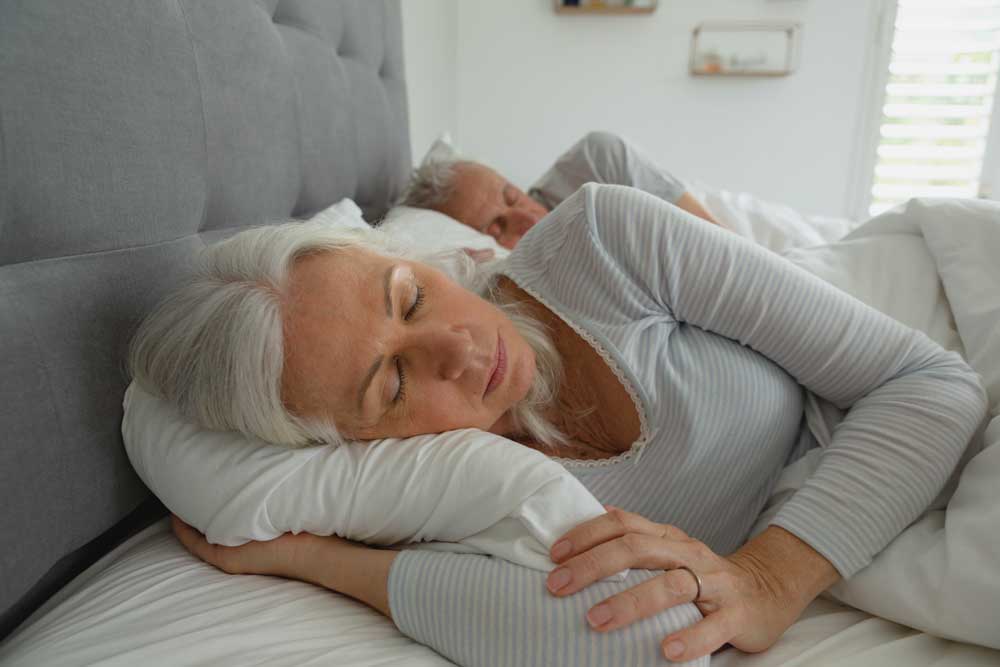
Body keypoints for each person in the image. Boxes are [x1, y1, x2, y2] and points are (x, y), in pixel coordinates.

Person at [132, 184, 987, 666]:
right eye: (391, 382)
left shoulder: (603, 239)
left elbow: (932, 384)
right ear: (352, 445)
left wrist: (767, 576)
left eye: (411, 297)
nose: (462, 350)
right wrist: (310, 558)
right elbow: (632, 640)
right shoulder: (441, 499)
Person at [399, 130, 725, 249]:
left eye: (512, 195)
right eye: (497, 228)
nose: (526, 217)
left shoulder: (595, 163)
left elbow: (720, 245)